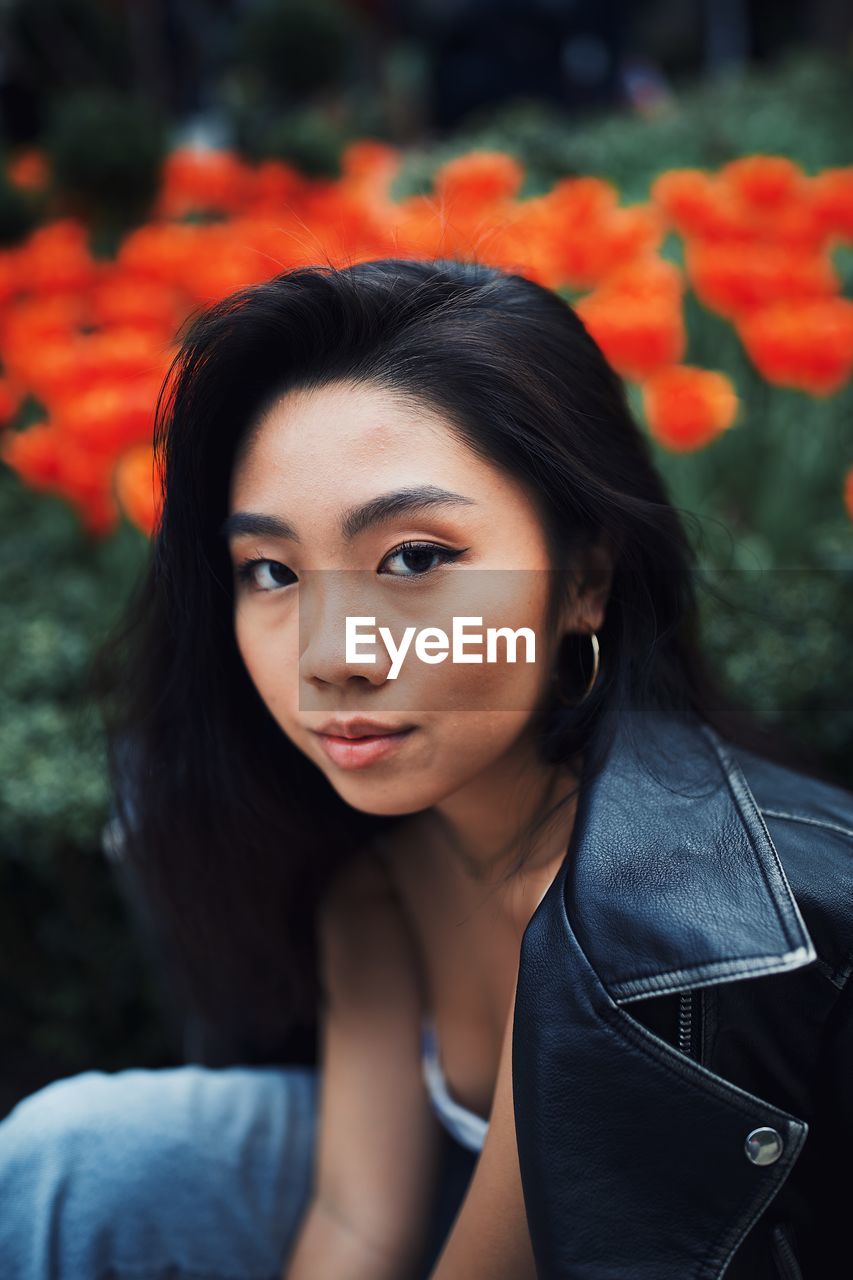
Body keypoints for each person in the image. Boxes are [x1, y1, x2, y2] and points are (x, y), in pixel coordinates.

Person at [0, 256, 850, 1279]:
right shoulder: (379, 884)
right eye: (271, 571)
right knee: (66, 1157)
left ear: (582, 578)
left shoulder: (633, 933)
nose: (333, 654)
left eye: (413, 557)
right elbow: (358, 1226)